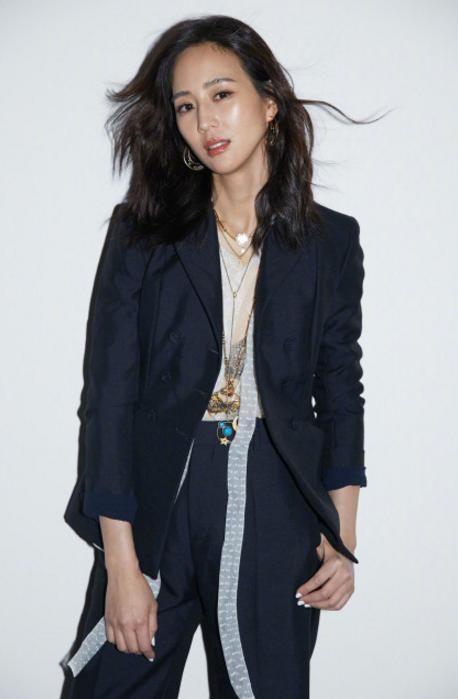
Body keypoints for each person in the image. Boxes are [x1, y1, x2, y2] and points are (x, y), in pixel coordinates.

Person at [61, 14, 371, 698]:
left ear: (269, 102)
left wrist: (340, 534)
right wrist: (122, 564)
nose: (205, 120)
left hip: (277, 506)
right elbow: (108, 396)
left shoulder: (330, 243)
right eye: (185, 106)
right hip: (159, 503)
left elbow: (339, 390)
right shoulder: (142, 234)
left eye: (221, 94)